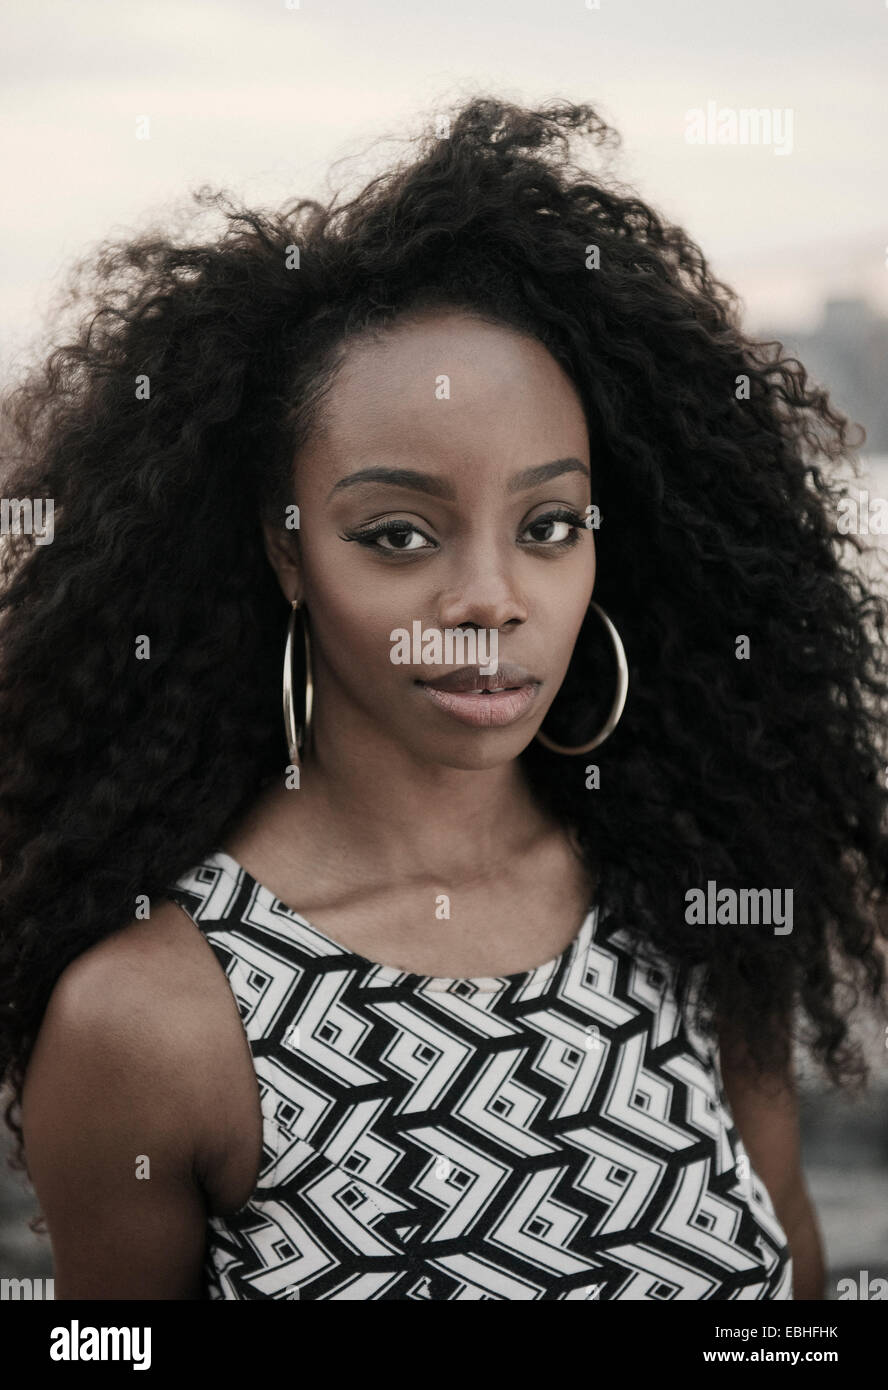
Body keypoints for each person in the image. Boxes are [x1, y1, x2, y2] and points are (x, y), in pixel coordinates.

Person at [2, 96, 886, 1301]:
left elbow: (793, 1285)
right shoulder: (154, 1021)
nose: (491, 597)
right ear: (286, 550)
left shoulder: (692, 898)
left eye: (549, 525)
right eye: (401, 531)